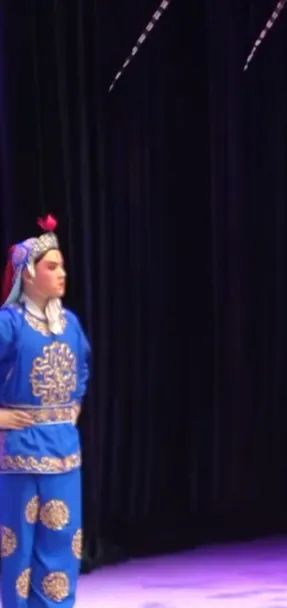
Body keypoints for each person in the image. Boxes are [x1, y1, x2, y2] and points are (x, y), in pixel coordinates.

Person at [0, 215, 91, 608]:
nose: (62, 273)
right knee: (17, 551)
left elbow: (81, 371)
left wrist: (72, 409)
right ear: (28, 274)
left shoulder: (69, 324)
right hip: (18, 453)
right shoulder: (8, 325)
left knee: (62, 544)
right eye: (52, 266)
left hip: (64, 450)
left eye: (62, 266)